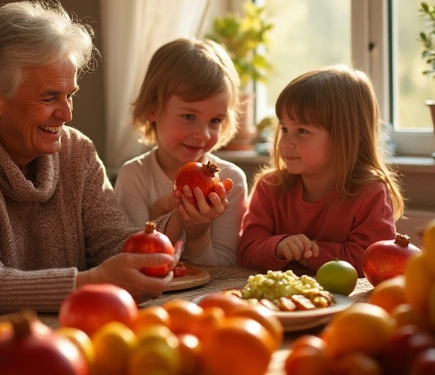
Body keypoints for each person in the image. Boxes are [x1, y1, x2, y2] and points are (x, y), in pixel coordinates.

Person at [0, 0, 183, 324]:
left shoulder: (77, 151)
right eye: (49, 97)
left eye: (70, 95)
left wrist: (183, 220)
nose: (67, 114)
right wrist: (93, 281)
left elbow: (114, 244)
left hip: (65, 338)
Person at [239, 65, 404, 276]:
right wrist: (279, 247)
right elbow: (247, 253)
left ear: (344, 137)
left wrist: (309, 252)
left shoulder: (370, 193)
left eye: (302, 131)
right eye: (284, 129)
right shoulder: (270, 187)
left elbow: (372, 261)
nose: (286, 142)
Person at [115, 38, 248, 266]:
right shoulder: (134, 176)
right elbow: (138, 263)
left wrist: (198, 233)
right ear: (152, 109)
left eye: (215, 120)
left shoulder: (231, 181)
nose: (204, 134)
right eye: (189, 117)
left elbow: (225, 271)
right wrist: (167, 210)